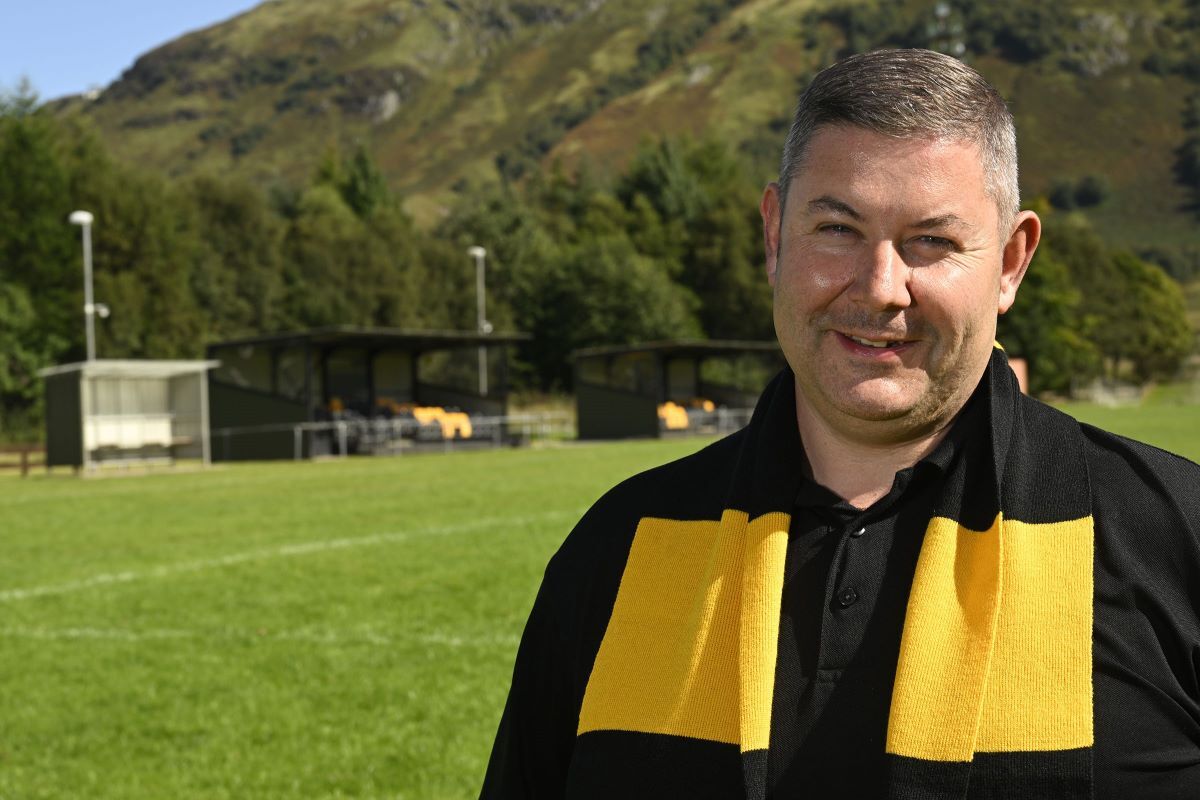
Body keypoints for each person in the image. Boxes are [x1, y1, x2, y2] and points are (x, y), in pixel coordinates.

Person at [479, 49, 1200, 800]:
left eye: (932, 241)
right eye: (837, 228)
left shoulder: (1175, 536)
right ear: (773, 235)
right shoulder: (619, 546)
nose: (882, 288)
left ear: (1012, 262)